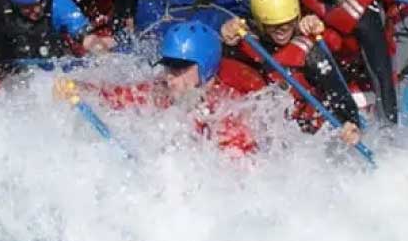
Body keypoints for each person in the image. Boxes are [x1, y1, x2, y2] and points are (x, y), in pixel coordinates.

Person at [55, 20, 257, 153]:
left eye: (180, 67)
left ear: (206, 67)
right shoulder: (162, 92)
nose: (170, 76)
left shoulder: (226, 112)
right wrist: (78, 87)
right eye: (168, 65)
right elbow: (114, 96)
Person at [218, 0, 364, 143]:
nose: (282, 30)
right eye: (273, 25)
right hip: (275, 126)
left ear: (297, 17)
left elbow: (338, 91)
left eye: (288, 23)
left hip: (311, 126)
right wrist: (225, 36)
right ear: (260, 23)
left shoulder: (310, 51)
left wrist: (350, 123)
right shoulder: (247, 38)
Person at [296, 0, 401, 125]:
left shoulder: (364, 16)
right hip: (323, 62)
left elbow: (381, 76)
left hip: (356, 73)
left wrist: (389, 126)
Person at [0, 0, 109, 70]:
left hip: (53, 69)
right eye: (27, 7)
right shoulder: (0, 5)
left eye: (41, 2)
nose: (36, 10)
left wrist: (103, 57)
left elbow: (88, 38)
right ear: (15, 3)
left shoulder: (59, 4)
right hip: (13, 68)